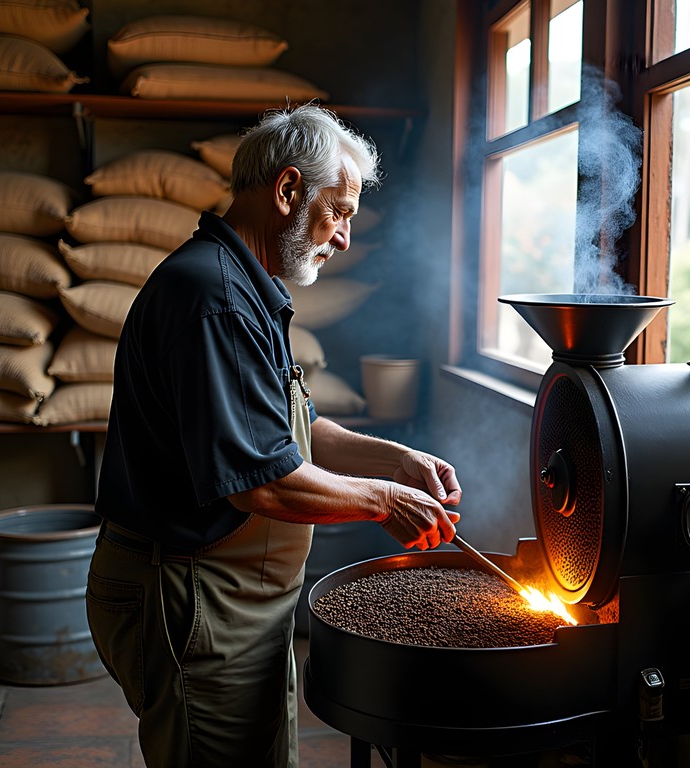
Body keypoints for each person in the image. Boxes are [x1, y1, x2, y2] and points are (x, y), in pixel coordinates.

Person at [86, 104, 463, 768]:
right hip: (192, 592)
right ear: (288, 190)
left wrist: (397, 460)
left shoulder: (244, 286)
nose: (344, 237)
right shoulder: (216, 299)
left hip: (231, 599)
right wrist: (384, 502)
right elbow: (261, 482)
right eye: (338, 211)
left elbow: (294, 429)